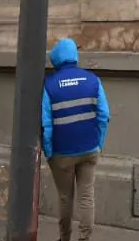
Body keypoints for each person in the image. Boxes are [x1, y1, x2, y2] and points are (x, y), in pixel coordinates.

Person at [41, 39, 110, 241]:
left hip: (61, 153)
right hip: (90, 150)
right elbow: (104, 115)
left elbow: (46, 124)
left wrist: (49, 152)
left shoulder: (49, 85)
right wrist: (99, 143)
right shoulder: (93, 80)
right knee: (86, 197)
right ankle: (85, 238)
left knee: (65, 198)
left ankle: (64, 238)